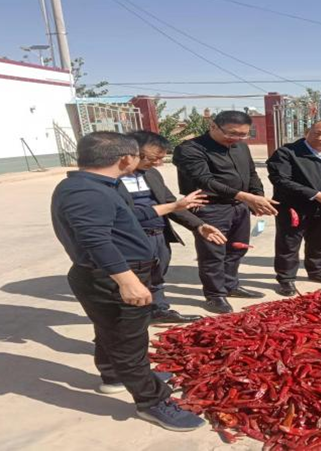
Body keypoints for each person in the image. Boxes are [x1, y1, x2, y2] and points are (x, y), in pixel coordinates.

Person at [51, 131, 205, 431]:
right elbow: (95, 240)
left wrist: (174, 207)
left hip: (111, 274)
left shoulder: (99, 185)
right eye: (137, 156)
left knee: (109, 330)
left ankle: (113, 376)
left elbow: (131, 215)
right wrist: (126, 280)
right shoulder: (87, 193)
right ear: (125, 159)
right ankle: (152, 401)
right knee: (129, 342)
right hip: (112, 276)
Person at [173, 111, 278, 314]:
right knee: (213, 253)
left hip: (238, 206)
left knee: (237, 249)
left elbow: (251, 173)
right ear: (213, 126)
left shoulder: (241, 147)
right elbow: (205, 181)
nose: (237, 138)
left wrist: (257, 195)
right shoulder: (190, 149)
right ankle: (215, 295)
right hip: (210, 207)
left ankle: (230, 285)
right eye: (232, 133)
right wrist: (246, 197)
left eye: (243, 134)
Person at [120, 130, 227, 324]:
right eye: (153, 158)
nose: (158, 163)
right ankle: (130, 321)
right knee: (132, 282)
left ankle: (159, 310)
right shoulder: (112, 180)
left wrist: (199, 225)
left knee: (157, 277)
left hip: (158, 235)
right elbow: (123, 215)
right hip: (130, 239)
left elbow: (170, 204)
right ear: (131, 153)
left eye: (161, 158)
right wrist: (174, 206)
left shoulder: (151, 174)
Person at [267, 121, 321, 296]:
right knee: (289, 245)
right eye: (316, 133)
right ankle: (286, 279)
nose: (320, 138)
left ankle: (317, 271)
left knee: (320, 243)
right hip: (294, 207)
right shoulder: (288, 153)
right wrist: (316, 195)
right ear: (308, 132)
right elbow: (280, 180)